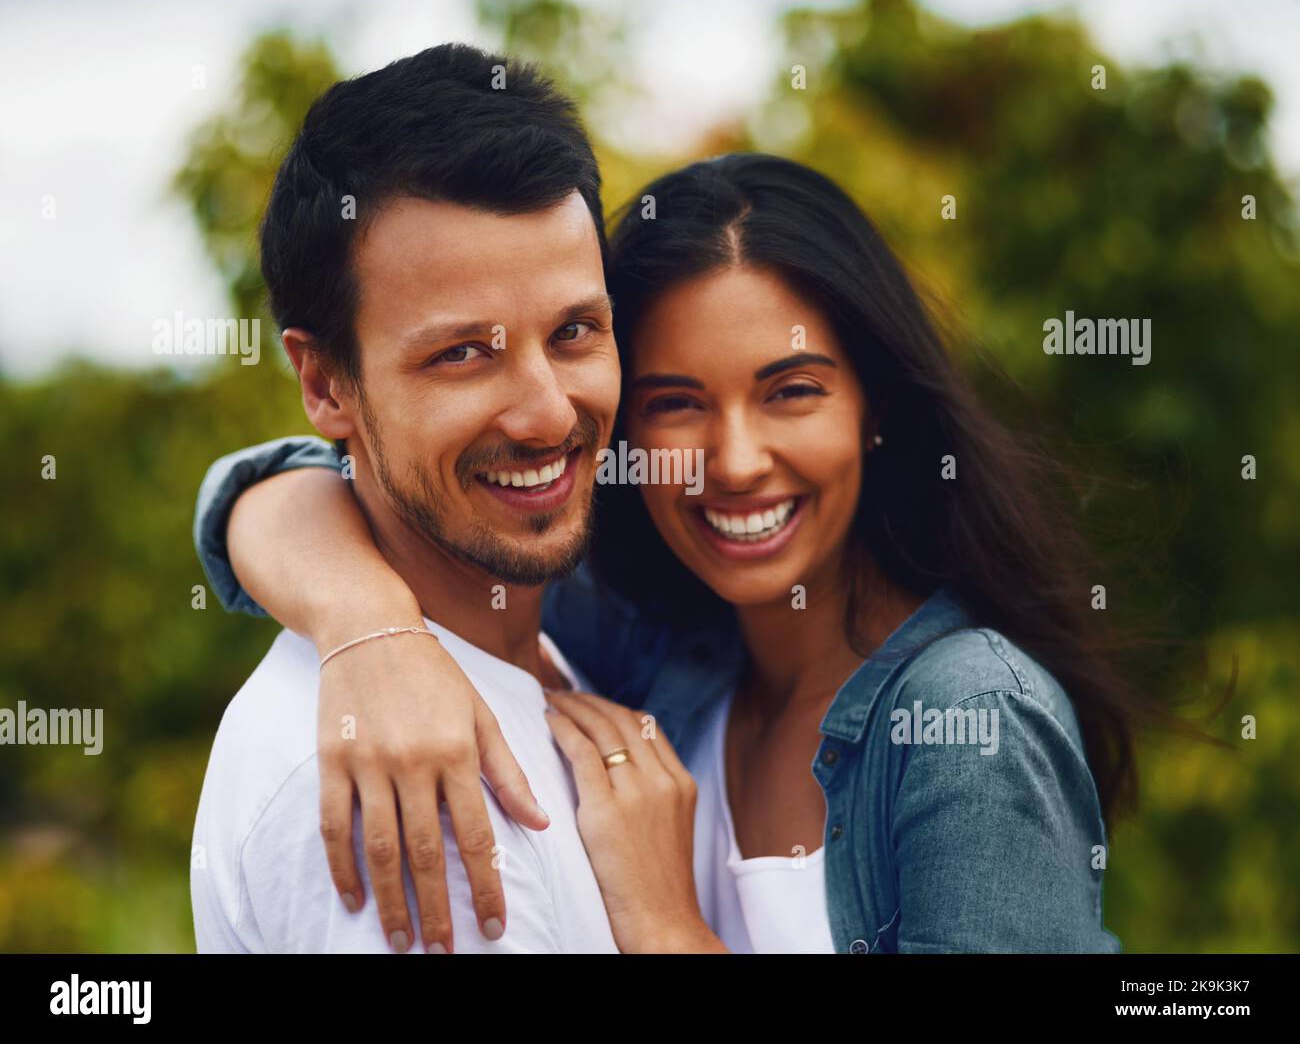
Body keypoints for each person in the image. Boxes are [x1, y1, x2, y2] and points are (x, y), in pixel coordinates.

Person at [197, 148, 1130, 952]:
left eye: (791, 391)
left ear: (873, 404)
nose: (734, 462)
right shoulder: (649, 641)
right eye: (677, 401)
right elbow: (280, 484)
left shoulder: (969, 723)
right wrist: (370, 626)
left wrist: (669, 924)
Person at [191, 42, 717, 954]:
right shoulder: (383, 783)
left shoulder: (558, 648)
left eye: (574, 331)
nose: (549, 412)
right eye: (461, 353)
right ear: (325, 385)